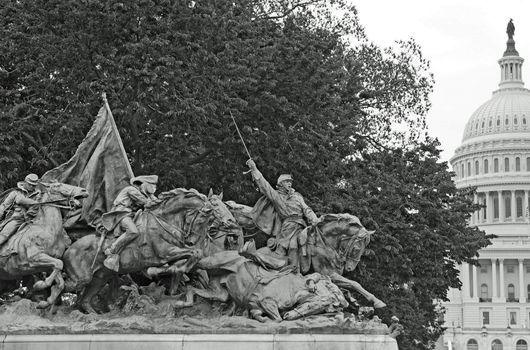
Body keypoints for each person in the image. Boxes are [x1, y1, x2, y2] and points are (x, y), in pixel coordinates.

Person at [246, 159, 319, 265]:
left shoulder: (297, 196)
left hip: (302, 226)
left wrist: (315, 219)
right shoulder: (277, 196)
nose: (289, 183)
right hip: (287, 227)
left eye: (290, 182)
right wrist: (254, 168)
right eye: (287, 182)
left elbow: (307, 209)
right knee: (285, 248)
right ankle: (280, 264)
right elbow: (264, 185)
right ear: (280, 184)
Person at [101, 175, 160, 271]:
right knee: (133, 231)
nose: (154, 188)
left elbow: (155, 203)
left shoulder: (140, 192)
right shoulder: (131, 190)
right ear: (144, 185)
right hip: (121, 214)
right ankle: (112, 250)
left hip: (130, 215)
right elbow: (146, 202)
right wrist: (151, 196)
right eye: (152, 185)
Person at [0, 174, 40, 252]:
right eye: (30, 184)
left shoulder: (38, 194)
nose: (32, 187)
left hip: (34, 220)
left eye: (34, 185)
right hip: (17, 219)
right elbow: (4, 206)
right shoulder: (15, 193)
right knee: (5, 234)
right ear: (25, 182)